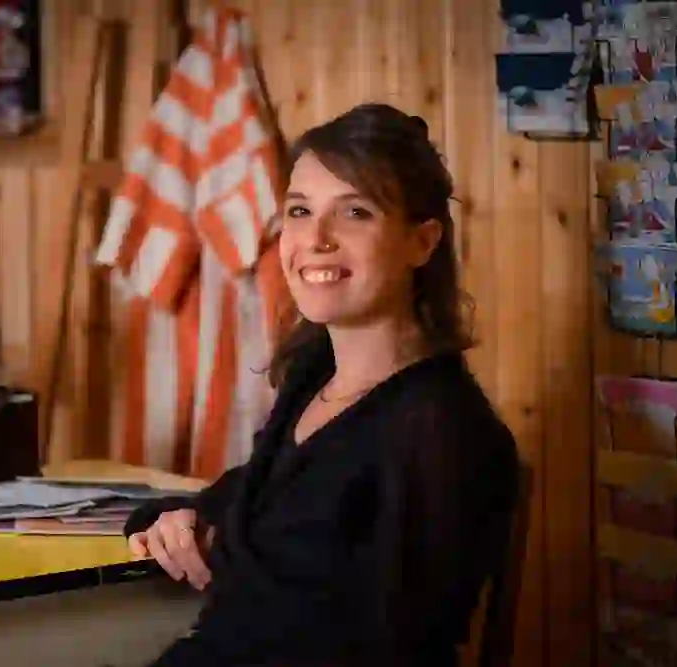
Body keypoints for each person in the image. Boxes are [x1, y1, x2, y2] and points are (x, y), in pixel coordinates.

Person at [124, 103, 521, 667]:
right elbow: (244, 507)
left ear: (422, 242)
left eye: (355, 212)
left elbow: (375, 644)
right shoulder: (313, 380)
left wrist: (227, 546)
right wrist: (173, 519)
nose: (316, 239)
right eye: (301, 210)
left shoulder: (442, 430)